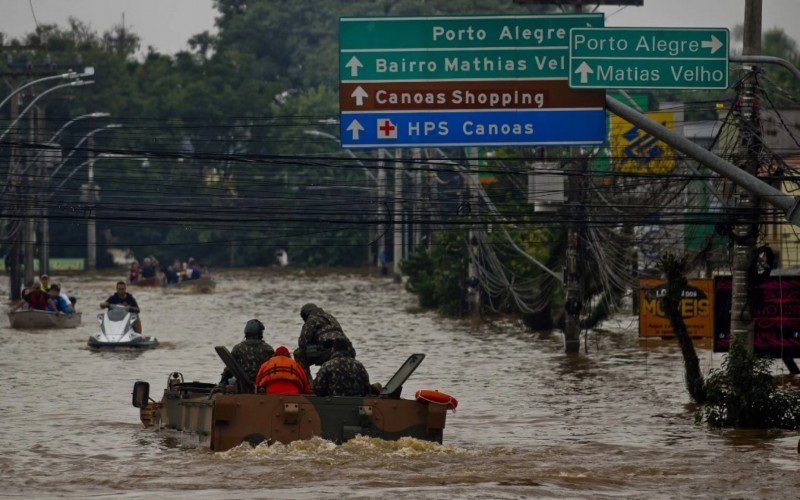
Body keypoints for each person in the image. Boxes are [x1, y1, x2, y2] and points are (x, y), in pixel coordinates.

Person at [295, 303, 356, 380]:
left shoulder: (311, 320)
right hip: (349, 351)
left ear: (305, 315)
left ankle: (307, 384)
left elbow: (302, 344)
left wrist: (313, 343)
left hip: (328, 351)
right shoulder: (331, 317)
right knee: (321, 348)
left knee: (299, 353)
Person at [219, 319, 275, 387]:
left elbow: (229, 369)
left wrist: (222, 382)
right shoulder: (268, 349)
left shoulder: (238, 348)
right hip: (261, 386)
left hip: (242, 385)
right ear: (260, 333)